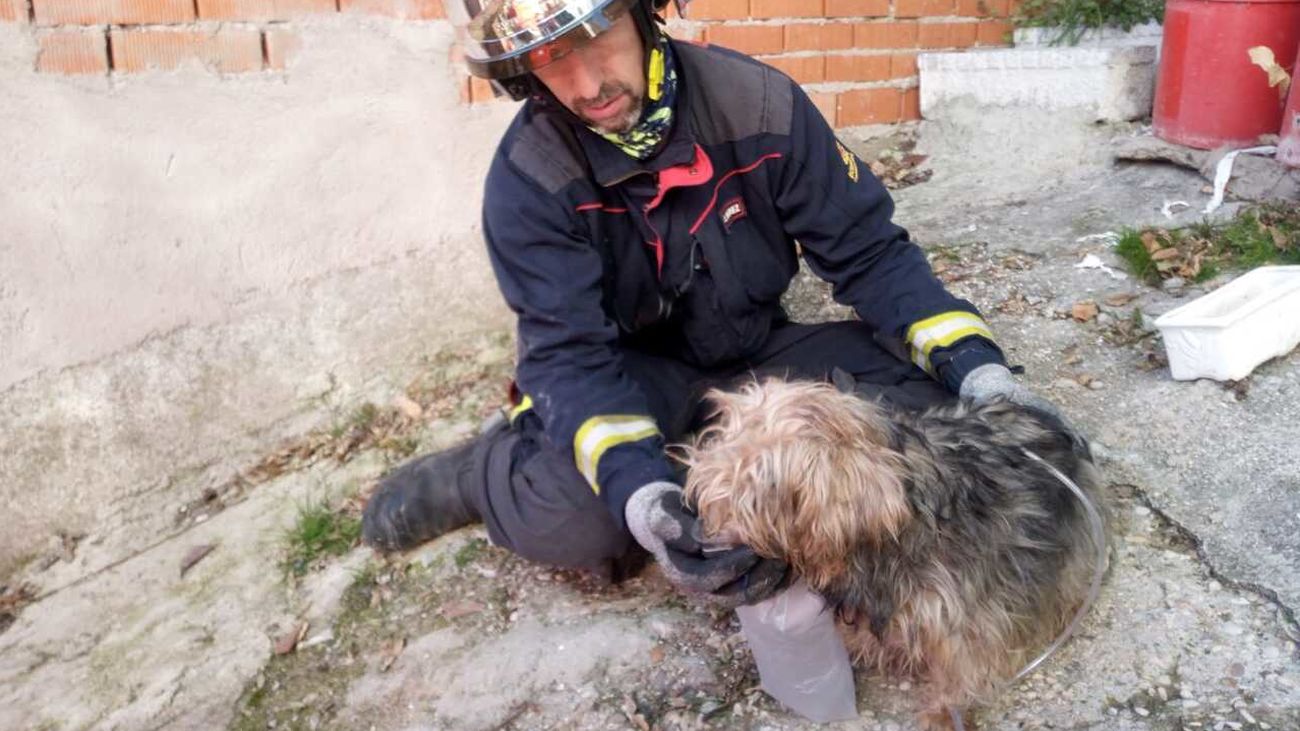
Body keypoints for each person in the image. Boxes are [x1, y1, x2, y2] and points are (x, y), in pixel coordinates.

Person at [361, 0, 1064, 605]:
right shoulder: (527, 183)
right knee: (589, 521)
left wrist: (982, 372)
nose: (585, 84)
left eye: (595, 37)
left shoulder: (760, 105)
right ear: (520, 72)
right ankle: (478, 473)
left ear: (643, 11)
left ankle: (717, 466)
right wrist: (644, 497)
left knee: (931, 419)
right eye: (548, 59)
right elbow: (570, 357)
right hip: (632, 376)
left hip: (757, 357)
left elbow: (872, 255)